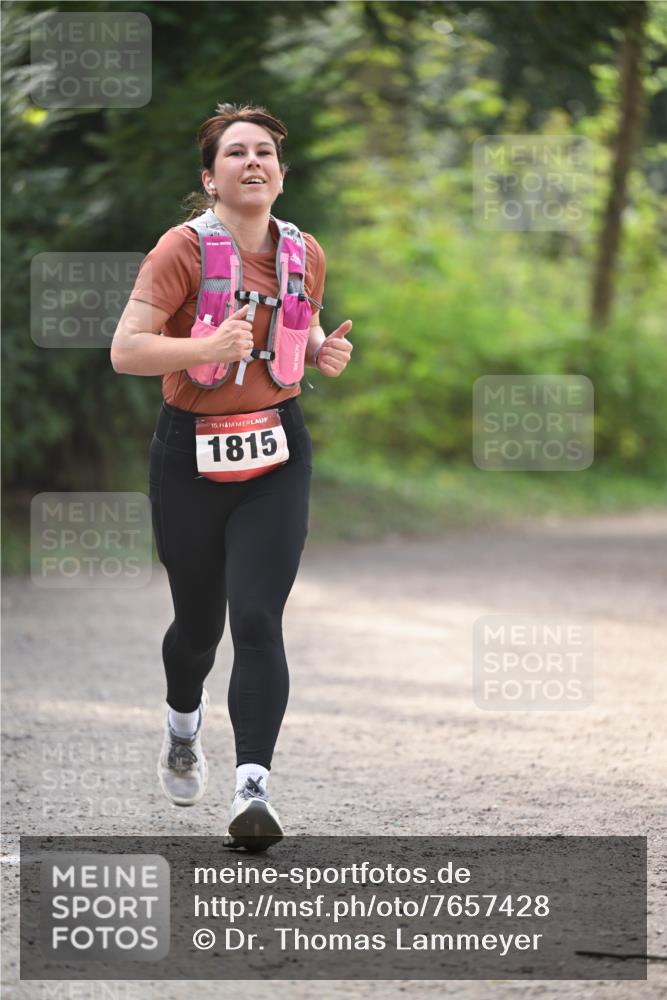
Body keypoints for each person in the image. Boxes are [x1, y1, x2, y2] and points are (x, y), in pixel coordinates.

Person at [110, 103, 353, 851]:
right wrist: (204, 345)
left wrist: (316, 351)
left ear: (280, 174)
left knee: (256, 617)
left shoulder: (303, 251)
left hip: (277, 450)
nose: (253, 162)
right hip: (189, 452)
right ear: (209, 177)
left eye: (265, 154)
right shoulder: (179, 251)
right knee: (198, 628)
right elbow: (127, 350)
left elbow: (294, 320)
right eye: (236, 153)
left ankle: (253, 790)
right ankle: (183, 725)